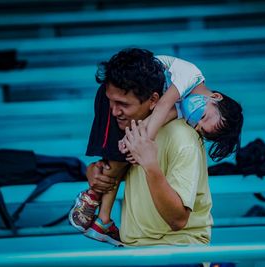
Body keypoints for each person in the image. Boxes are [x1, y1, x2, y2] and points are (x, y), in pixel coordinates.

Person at [69, 48, 243, 245]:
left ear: (152, 99)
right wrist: (96, 172)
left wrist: (142, 152)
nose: (195, 123)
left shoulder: (184, 129)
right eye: (203, 117)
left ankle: (101, 216)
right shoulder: (189, 76)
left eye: (199, 127)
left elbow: (178, 220)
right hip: (135, 248)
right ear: (216, 97)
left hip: (178, 248)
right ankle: (101, 216)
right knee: (118, 153)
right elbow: (157, 114)